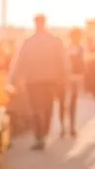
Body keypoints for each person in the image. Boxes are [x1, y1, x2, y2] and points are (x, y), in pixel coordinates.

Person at [9, 14, 69, 150]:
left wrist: (13, 79)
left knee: (37, 108)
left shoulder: (30, 42)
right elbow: (63, 61)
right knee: (46, 108)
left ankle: (40, 135)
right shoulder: (54, 41)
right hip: (47, 80)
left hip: (35, 80)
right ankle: (42, 133)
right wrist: (64, 77)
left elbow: (19, 62)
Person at [58, 27, 85, 137]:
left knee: (73, 103)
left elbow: (83, 65)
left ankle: (71, 127)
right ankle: (63, 127)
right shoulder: (66, 49)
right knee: (63, 103)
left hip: (76, 78)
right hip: (65, 79)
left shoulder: (81, 49)